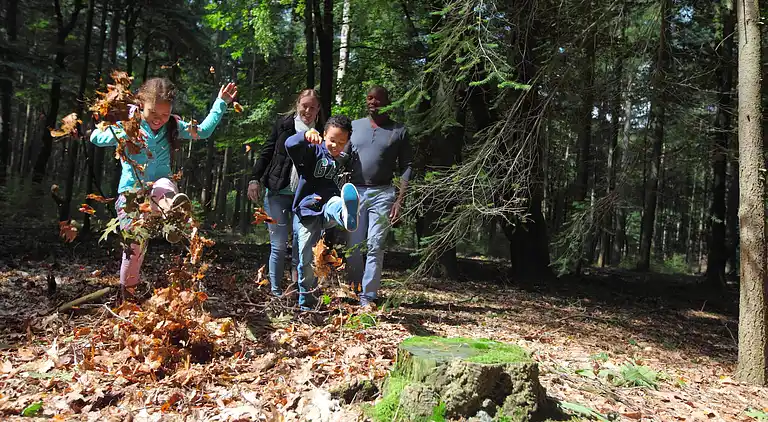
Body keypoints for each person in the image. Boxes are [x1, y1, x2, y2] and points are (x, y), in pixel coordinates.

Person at [90, 77, 238, 291]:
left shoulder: (174, 126)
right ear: (141, 105)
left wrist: (220, 103)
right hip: (131, 194)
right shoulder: (128, 124)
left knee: (164, 185)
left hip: (160, 189)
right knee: (134, 249)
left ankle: (171, 212)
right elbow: (96, 137)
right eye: (153, 113)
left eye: (165, 114)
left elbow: (203, 131)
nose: (159, 119)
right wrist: (122, 131)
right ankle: (127, 294)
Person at [248, 89, 324, 297]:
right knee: (279, 245)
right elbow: (267, 151)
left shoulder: (323, 131)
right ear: (298, 104)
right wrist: (254, 178)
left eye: (312, 107)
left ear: (318, 109)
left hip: (305, 198)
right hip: (277, 191)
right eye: (304, 106)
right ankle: (275, 292)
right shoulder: (284, 125)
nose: (307, 111)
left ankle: (299, 291)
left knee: (302, 246)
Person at [285, 115, 359, 310]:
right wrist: (305, 135)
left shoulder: (342, 161)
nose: (336, 146)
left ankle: (345, 215)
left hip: (328, 209)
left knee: (335, 202)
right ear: (324, 134)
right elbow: (290, 144)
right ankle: (306, 304)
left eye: (342, 143)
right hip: (307, 211)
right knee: (306, 261)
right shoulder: (312, 151)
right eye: (332, 140)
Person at [347, 86, 412, 307]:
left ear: (387, 101)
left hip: (383, 193)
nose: (372, 102)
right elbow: (340, 156)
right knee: (354, 244)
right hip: (354, 192)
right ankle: (354, 288)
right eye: (369, 98)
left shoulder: (398, 131)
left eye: (377, 99)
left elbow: (406, 166)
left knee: (375, 244)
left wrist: (399, 199)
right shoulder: (354, 127)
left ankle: (368, 296)